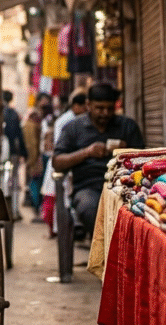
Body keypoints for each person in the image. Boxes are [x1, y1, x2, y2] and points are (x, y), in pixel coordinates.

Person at [53, 82, 144, 238]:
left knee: (143, 211)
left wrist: (127, 151)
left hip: (126, 186)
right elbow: (57, 162)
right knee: (91, 209)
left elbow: (144, 160)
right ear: (88, 105)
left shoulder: (127, 126)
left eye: (109, 109)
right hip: (88, 187)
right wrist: (86, 152)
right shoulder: (73, 128)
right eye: (99, 108)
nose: (105, 113)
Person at [40, 89, 87, 236]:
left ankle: (63, 230)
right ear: (76, 106)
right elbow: (62, 147)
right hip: (64, 163)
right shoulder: (68, 121)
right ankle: (61, 231)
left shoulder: (71, 119)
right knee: (61, 199)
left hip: (67, 162)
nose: (87, 110)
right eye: (85, 106)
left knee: (62, 198)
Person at [24, 92, 52, 221]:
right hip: (38, 156)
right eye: (43, 102)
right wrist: (34, 159)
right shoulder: (34, 118)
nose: (45, 105)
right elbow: (32, 142)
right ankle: (38, 210)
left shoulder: (46, 118)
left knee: (41, 183)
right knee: (36, 182)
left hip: (44, 156)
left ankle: (41, 211)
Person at [1, 90, 26, 220]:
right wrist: (23, 152)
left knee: (5, 179)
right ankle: (14, 210)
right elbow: (19, 135)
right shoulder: (13, 113)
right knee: (14, 181)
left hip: (1, 151)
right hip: (12, 152)